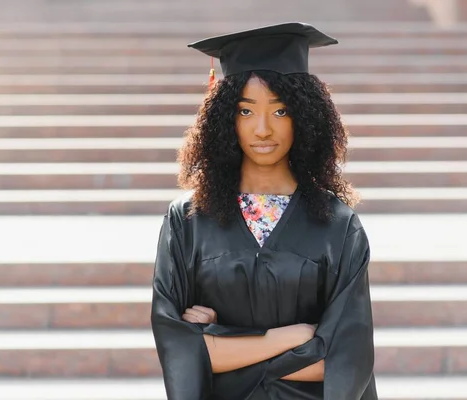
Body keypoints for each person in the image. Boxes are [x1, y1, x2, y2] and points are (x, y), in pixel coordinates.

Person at [150, 22, 378, 400]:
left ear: (305, 116)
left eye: (281, 111)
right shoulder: (188, 220)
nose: (262, 129)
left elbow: (344, 360)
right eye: (244, 111)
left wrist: (219, 346)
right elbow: (177, 351)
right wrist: (283, 338)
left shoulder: (338, 226)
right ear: (224, 119)